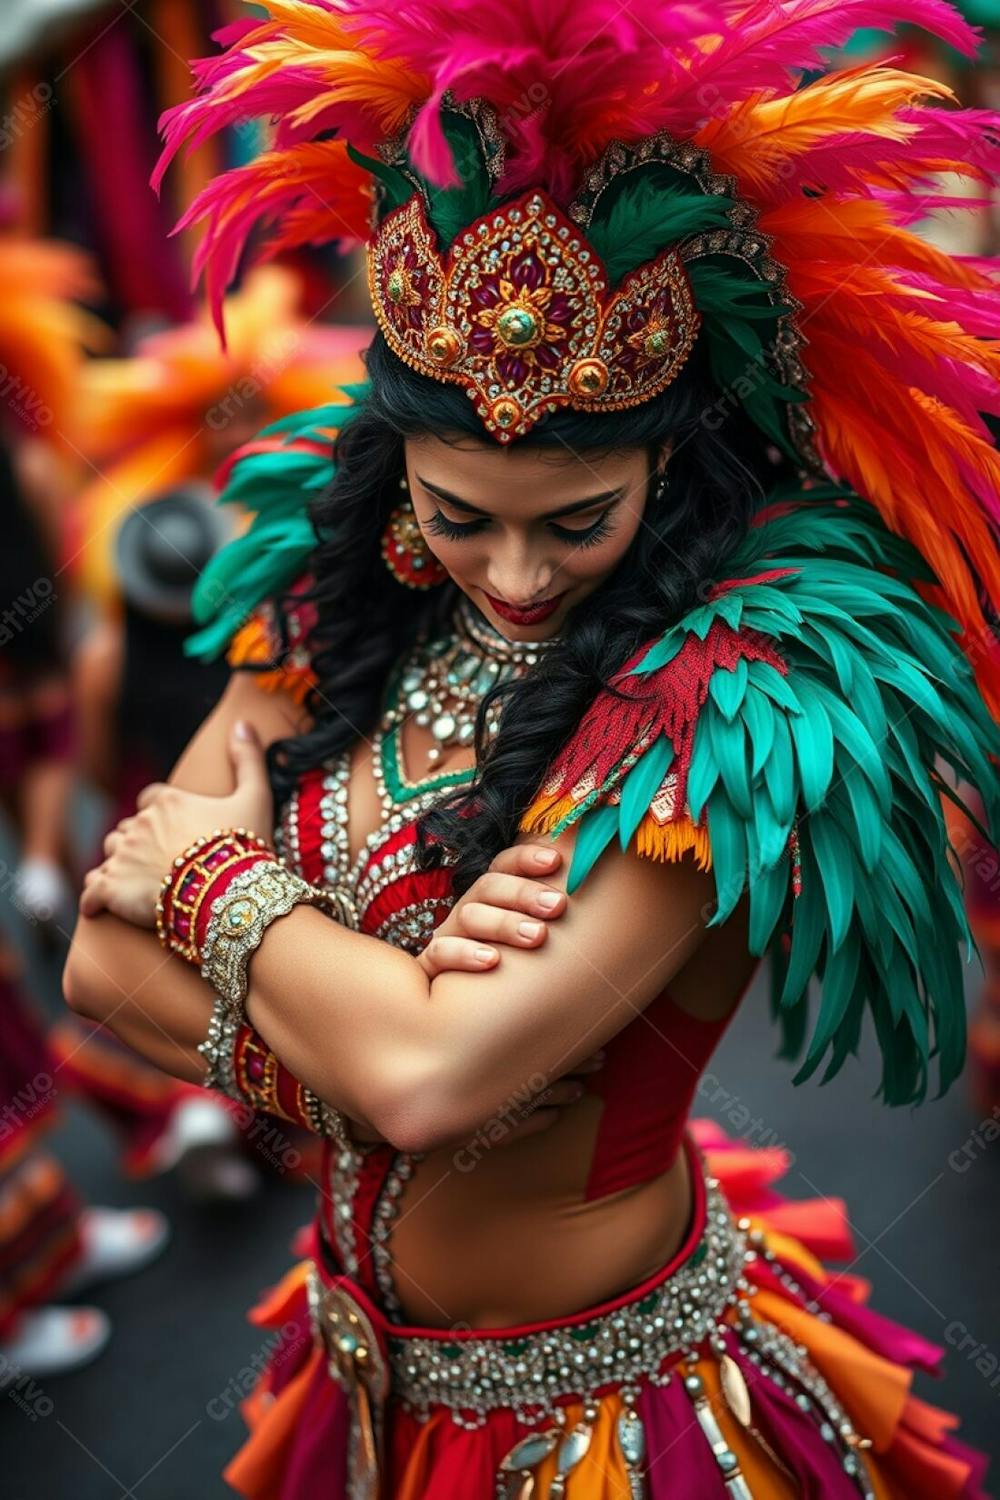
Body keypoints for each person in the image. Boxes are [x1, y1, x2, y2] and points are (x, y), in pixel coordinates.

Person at [64, 0, 999, 1495]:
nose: (509, 575)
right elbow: (98, 973)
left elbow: (421, 1089)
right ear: (396, 468)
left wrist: (219, 887)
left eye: (576, 521)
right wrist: (374, 1031)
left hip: (612, 1427)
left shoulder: (738, 703)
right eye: (458, 514)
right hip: (355, 1377)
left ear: (670, 470)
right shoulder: (340, 591)